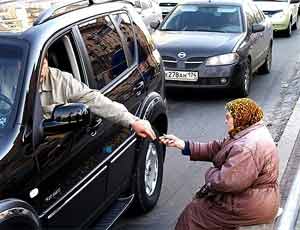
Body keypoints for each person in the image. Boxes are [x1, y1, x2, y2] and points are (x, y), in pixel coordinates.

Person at [160, 98, 280, 230]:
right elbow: (217, 148)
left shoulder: (246, 147)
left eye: (228, 117)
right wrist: (182, 144)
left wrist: (211, 172)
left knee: (193, 214)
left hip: (249, 205)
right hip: (254, 199)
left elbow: (227, 182)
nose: (225, 121)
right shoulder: (248, 131)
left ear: (240, 118)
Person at [39, 55, 156, 140]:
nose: (39, 72)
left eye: (42, 64)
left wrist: (132, 121)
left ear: (47, 61)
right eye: (35, 67)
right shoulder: (21, 84)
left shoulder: (61, 80)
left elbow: (93, 99)